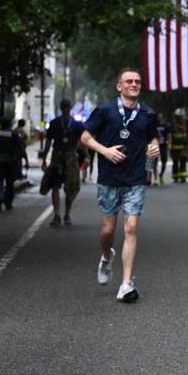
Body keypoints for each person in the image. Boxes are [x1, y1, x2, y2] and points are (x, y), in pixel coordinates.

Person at [80, 68, 160, 303]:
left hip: (135, 179)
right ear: (119, 86)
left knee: (131, 228)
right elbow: (84, 136)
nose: (134, 84)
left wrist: (153, 149)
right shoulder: (105, 110)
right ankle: (107, 256)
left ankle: (126, 283)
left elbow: (152, 138)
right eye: (129, 81)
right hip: (108, 178)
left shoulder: (147, 113)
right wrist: (104, 150)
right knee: (107, 231)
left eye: (137, 81)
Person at [39, 99, 84, 226]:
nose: (65, 109)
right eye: (63, 107)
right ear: (61, 108)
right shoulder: (54, 123)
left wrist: (86, 155)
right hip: (57, 158)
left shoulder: (76, 124)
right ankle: (57, 215)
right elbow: (48, 141)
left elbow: (83, 139)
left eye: (67, 107)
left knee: (71, 186)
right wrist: (44, 159)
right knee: (55, 186)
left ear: (70, 108)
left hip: (71, 159)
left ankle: (67, 215)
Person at [0, 116, 25, 212]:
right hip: (10, 161)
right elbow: (20, 148)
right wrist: (25, 159)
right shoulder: (13, 134)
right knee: (9, 182)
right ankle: (8, 203)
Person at [169, 108, 188, 183]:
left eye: (181, 116)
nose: (180, 118)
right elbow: (170, 135)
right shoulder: (172, 125)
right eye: (178, 117)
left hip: (183, 146)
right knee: (175, 161)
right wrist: (170, 144)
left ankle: (183, 176)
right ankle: (175, 176)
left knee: (183, 160)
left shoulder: (186, 124)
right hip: (175, 146)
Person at [153, 111, 170, 185]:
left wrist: (169, 144)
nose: (159, 118)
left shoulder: (165, 125)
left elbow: (169, 135)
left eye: (161, 116)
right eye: (158, 116)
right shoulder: (153, 125)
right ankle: (156, 178)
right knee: (155, 163)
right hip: (155, 146)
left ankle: (161, 174)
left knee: (164, 163)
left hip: (163, 146)